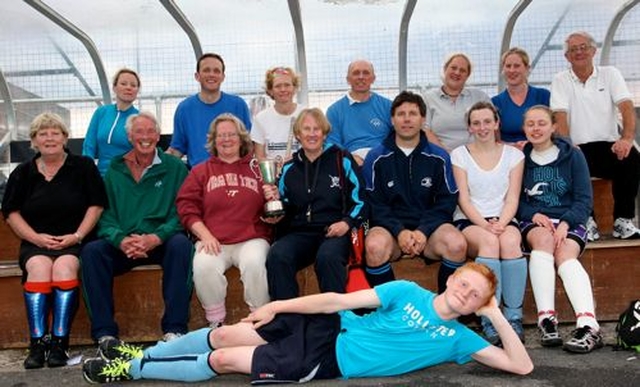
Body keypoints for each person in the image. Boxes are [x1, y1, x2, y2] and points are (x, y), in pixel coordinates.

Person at [81, 262, 533, 384]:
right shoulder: (407, 292)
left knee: (222, 358)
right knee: (222, 332)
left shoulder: (459, 339)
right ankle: (140, 354)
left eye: (476, 295)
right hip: (326, 328)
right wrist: (279, 305)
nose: (466, 293)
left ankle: (133, 368)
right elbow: (336, 299)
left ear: (478, 304)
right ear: (452, 278)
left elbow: (521, 367)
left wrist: (496, 314)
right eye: (464, 284)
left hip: (326, 359)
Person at [1, 112, 106, 369]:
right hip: (34, 241)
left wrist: (77, 235)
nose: (49, 138)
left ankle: (60, 342)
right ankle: (37, 344)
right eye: (42, 133)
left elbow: (96, 205)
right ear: (34, 141)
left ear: (65, 137)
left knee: (63, 268)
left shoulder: (82, 167)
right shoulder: (22, 173)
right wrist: (36, 237)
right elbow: (11, 213)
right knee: (38, 268)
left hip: (73, 240)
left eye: (55, 132)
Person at [81, 111, 193, 345]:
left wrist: (157, 237)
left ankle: (175, 329)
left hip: (160, 241)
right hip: (125, 244)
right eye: (139, 132)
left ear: (158, 135)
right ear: (130, 137)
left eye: (151, 131)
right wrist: (120, 239)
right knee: (92, 252)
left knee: (182, 245)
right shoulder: (115, 168)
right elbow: (105, 213)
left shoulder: (175, 168)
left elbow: (183, 211)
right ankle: (105, 334)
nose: (145, 137)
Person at [362, 90, 467, 294]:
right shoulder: (376, 157)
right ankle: (391, 312)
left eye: (413, 113)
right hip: (390, 231)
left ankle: (445, 310)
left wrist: (423, 230)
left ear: (423, 120)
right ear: (392, 120)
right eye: (401, 114)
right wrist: (399, 231)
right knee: (374, 247)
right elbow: (373, 203)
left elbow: (446, 201)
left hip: (429, 230)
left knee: (456, 244)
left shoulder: (439, 157)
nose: (407, 119)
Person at [519, 105, 603, 353]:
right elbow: (515, 201)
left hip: (570, 220)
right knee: (543, 241)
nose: (536, 128)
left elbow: (584, 200)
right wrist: (533, 214)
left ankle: (589, 326)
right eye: (530, 124)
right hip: (535, 221)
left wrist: (566, 223)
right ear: (524, 128)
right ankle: (547, 320)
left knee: (565, 254)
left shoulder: (573, 155)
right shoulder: (520, 159)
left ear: (554, 126)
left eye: (542, 123)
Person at [176, 113, 271, 328]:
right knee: (203, 265)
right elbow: (186, 207)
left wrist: (272, 201)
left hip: (251, 237)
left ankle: (260, 321)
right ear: (213, 140)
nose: (226, 139)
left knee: (254, 262)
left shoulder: (257, 169)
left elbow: (272, 212)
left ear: (241, 138)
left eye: (231, 134)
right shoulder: (201, 171)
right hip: (214, 238)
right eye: (221, 135)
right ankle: (216, 322)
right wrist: (205, 235)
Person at [263, 108, 367, 300]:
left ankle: (337, 321)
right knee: (278, 255)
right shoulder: (289, 167)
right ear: (297, 135)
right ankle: (286, 319)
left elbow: (361, 199)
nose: (312, 134)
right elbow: (285, 206)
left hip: (334, 231)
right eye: (306, 129)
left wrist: (346, 223)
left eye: (317, 129)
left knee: (328, 257)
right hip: (301, 233)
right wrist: (277, 204)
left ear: (325, 133)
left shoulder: (341, 159)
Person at [551, 30, 640, 241]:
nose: (579, 52)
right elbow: (559, 115)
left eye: (583, 47)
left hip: (609, 144)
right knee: (568, 159)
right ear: (567, 56)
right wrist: (568, 144)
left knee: (632, 157)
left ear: (593, 50)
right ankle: (586, 222)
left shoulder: (610, 74)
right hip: (578, 146)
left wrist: (626, 139)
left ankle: (623, 221)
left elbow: (626, 107)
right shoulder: (560, 79)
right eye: (573, 49)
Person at [451, 101, 526, 345]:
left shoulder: (514, 155)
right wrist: (485, 225)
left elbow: (513, 197)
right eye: (476, 123)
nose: (482, 127)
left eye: (487, 121)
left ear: (496, 124)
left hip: (503, 219)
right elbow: (463, 199)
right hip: (471, 220)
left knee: (511, 242)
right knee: (490, 244)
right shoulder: (459, 155)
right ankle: (489, 317)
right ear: (469, 128)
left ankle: (513, 317)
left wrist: (502, 223)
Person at [167, 53, 252, 167]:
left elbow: (249, 145)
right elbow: (177, 149)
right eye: (206, 70)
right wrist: (156, 163)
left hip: (233, 174)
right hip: (199, 178)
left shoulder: (238, 105)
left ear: (223, 77)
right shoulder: (184, 108)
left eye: (216, 71)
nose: (211, 75)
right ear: (197, 76)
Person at [326, 59, 393, 165]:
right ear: (348, 79)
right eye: (356, 73)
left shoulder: (388, 106)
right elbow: (333, 144)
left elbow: (399, 136)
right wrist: (349, 158)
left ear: (373, 79)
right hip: (351, 162)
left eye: (366, 73)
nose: (361, 77)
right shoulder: (334, 111)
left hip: (385, 160)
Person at [423, 53, 490, 152]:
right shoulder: (428, 98)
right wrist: (446, 155)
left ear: (467, 76)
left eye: (462, 70)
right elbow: (425, 130)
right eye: (453, 68)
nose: (457, 72)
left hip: (476, 155)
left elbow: (491, 127)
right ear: (445, 69)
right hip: (441, 156)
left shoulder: (480, 97)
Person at [83, 68, 141, 176]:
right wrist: (88, 171)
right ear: (114, 88)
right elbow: (89, 145)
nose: (128, 88)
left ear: (137, 90)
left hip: (127, 178)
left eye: (133, 85)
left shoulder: (139, 118)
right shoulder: (101, 113)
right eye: (123, 84)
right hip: (100, 177)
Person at [492, 47, 550, 149]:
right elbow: (493, 139)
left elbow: (554, 130)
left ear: (527, 68)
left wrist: (531, 144)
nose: (512, 70)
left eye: (517, 66)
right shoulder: (495, 102)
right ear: (503, 69)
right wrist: (512, 146)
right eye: (508, 66)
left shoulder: (543, 96)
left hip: (541, 151)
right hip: (509, 155)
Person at [251, 66, 304, 166]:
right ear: (270, 90)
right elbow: (259, 156)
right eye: (278, 86)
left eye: (287, 85)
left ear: (294, 88)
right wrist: (276, 166)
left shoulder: (305, 114)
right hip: (274, 177)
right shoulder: (261, 119)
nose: (283, 89)